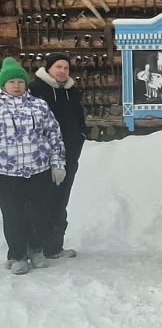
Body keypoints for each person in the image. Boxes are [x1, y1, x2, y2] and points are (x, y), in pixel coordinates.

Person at [0, 58, 66, 275]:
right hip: (8, 174)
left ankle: (36, 250)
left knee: (40, 213)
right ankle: (18, 255)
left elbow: (54, 136)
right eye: (12, 82)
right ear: (4, 85)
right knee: (13, 215)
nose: (17, 85)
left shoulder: (39, 105)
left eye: (20, 81)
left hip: (38, 170)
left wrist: (58, 165)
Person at [28, 52, 86, 259]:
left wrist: (80, 136)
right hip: (42, 159)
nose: (62, 71)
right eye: (58, 67)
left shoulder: (73, 92)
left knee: (60, 201)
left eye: (66, 68)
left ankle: (54, 247)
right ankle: (36, 247)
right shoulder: (35, 90)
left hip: (69, 157)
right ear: (49, 68)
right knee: (42, 200)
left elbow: (80, 119)